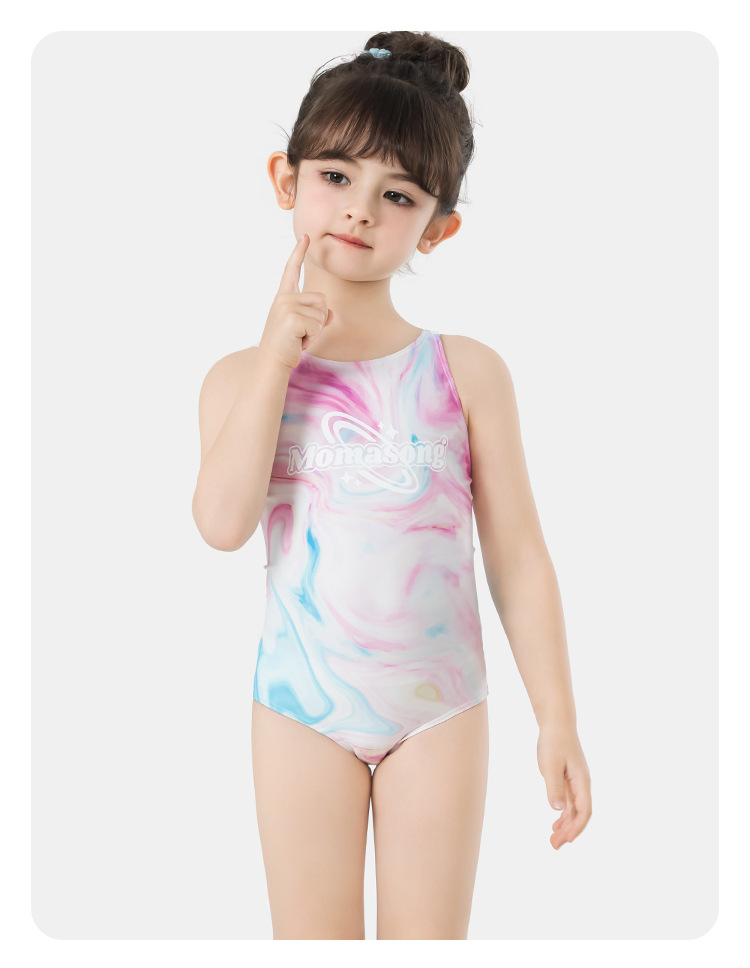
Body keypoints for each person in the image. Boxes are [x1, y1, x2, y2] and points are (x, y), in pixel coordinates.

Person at [192, 30, 592, 941]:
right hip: (299, 711)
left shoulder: (465, 372)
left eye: (398, 194)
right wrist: (274, 360)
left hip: (438, 712)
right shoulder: (239, 380)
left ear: (438, 228)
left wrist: (558, 718)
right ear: (285, 180)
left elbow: (519, 557)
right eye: (335, 176)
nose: (360, 210)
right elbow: (220, 524)